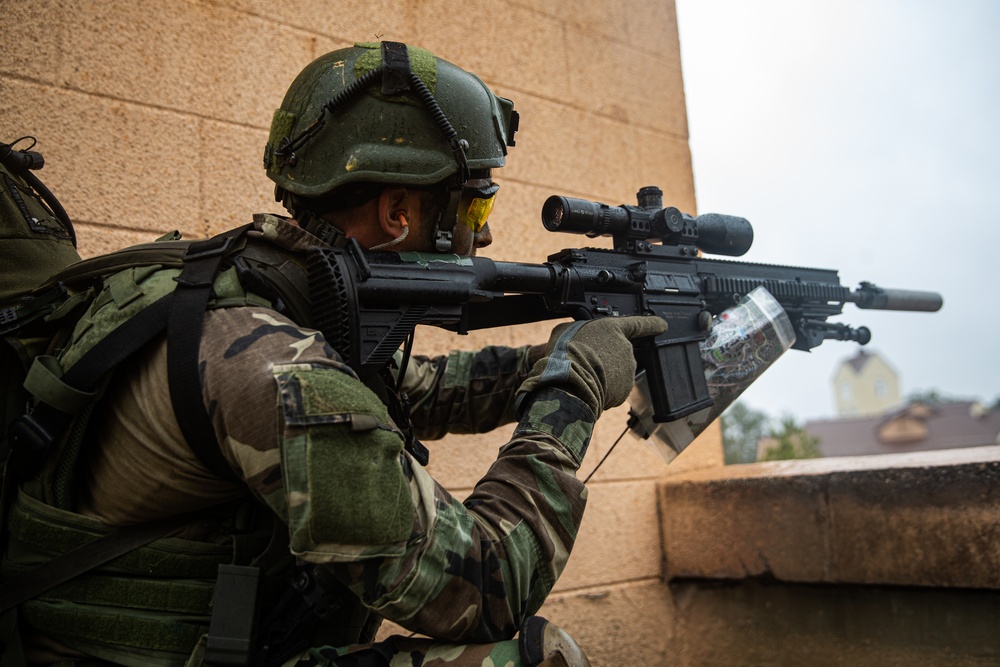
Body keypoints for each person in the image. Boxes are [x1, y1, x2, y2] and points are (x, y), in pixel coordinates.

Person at [1, 41, 666, 666]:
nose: (484, 234)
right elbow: (487, 584)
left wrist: (559, 354)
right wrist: (570, 394)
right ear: (399, 211)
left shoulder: (253, 288)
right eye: (472, 209)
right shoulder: (275, 369)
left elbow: (424, 386)